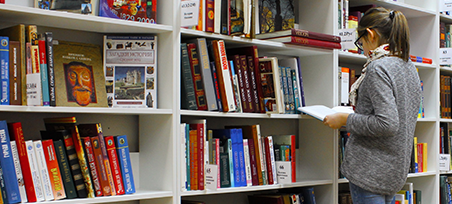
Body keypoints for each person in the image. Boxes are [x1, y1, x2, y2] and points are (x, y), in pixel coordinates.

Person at [323, 7, 421, 204]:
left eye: (361, 43)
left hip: (370, 171)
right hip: (393, 170)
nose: (363, 49)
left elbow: (387, 124)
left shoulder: (378, 68)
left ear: (370, 35)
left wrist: (344, 119)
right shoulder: (409, 66)